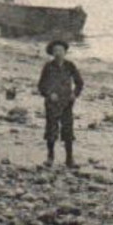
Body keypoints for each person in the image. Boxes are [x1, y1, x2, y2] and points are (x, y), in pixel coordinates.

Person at [37, 40, 84, 168]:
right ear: (52, 53)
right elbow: (41, 85)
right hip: (52, 104)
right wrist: (48, 94)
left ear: (65, 52)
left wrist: (75, 94)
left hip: (67, 103)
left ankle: (69, 159)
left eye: (61, 51)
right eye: (56, 51)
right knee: (51, 130)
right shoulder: (48, 67)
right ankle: (50, 157)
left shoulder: (70, 66)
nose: (58, 53)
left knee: (68, 131)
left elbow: (79, 83)